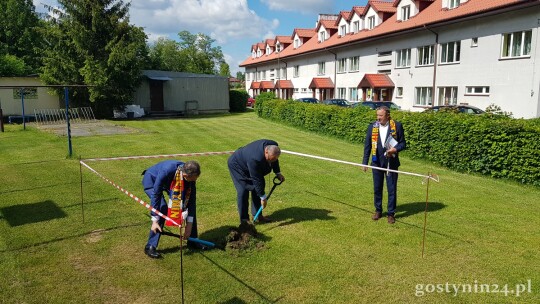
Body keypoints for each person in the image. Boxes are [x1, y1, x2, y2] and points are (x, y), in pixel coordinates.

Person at [141, 160, 201, 258]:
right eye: (193, 179)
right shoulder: (167, 170)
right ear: (186, 176)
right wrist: (155, 220)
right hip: (153, 180)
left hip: (171, 182)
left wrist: (189, 225)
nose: (194, 181)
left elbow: (191, 201)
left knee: (185, 207)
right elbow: (156, 193)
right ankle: (150, 246)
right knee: (162, 208)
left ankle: (192, 240)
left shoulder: (190, 176)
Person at [362, 106, 406, 224]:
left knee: (391, 189)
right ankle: (378, 210)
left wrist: (395, 150)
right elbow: (367, 146)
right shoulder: (372, 127)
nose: (378, 118)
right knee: (377, 188)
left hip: (391, 163)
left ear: (387, 116)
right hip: (376, 162)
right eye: (377, 115)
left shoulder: (397, 126)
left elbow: (403, 144)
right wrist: (365, 162)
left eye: (380, 116)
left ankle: (391, 213)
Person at [228, 139, 285, 223]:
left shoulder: (274, 146)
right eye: (269, 159)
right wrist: (263, 197)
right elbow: (256, 179)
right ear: (266, 152)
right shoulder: (255, 158)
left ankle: (258, 216)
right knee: (243, 191)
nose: (270, 162)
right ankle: (244, 221)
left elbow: (274, 160)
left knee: (257, 188)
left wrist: (278, 173)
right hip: (237, 166)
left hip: (249, 164)